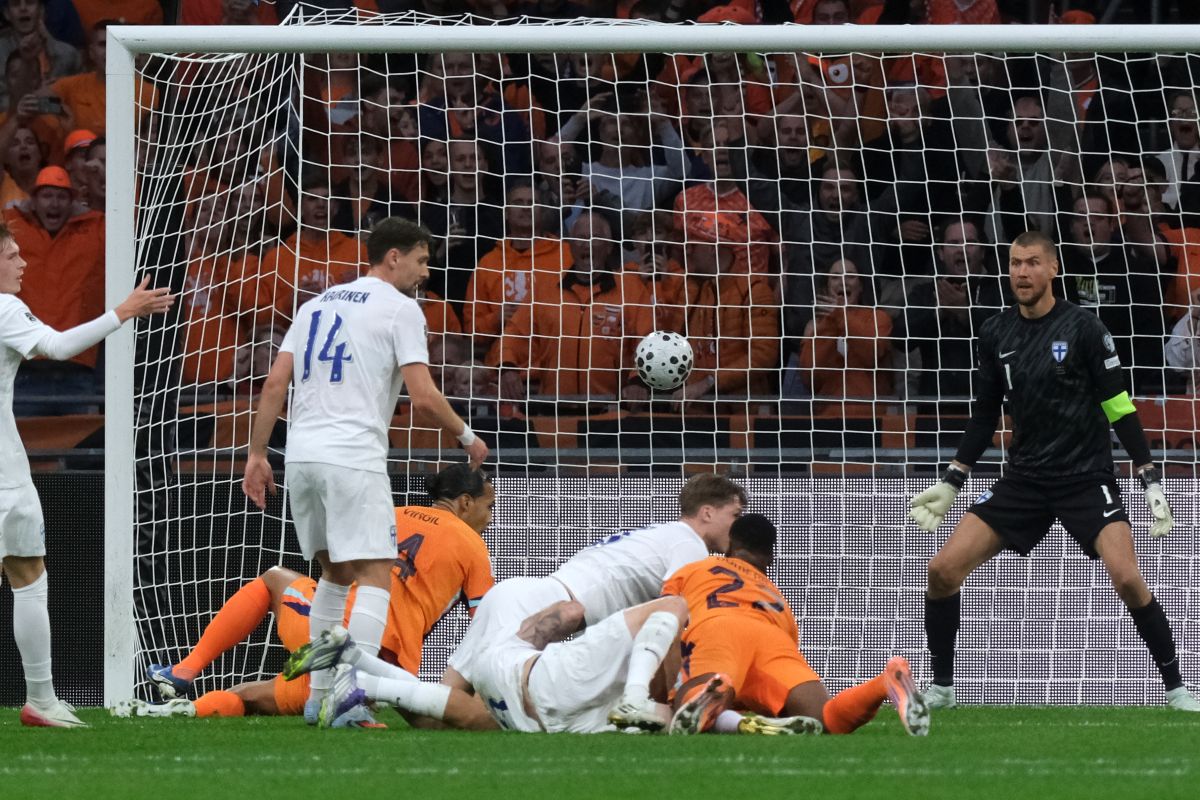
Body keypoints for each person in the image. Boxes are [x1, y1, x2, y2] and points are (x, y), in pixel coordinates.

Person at [908, 229, 1200, 712]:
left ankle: (1177, 689)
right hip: (1024, 480)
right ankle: (942, 687)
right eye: (1015, 263)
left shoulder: (1085, 329)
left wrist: (1149, 476)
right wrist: (953, 478)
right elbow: (985, 414)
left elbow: (1118, 406)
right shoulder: (995, 332)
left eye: (1032, 263)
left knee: (1128, 579)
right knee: (941, 570)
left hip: (1085, 476)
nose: (1022, 272)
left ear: (1053, 269)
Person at [241, 217, 488, 725]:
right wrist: (467, 436)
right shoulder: (400, 308)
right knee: (377, 573)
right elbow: (422, 396)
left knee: (334, 573)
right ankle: (352, 697)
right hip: (352, 455)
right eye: (421, 260)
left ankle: (319, 699)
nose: (426, 272)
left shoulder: (314, 305)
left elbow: (274, 384)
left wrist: (257, 454)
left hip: (302, 456)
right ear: (393, 257)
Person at [287, 472, 748, 730]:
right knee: (482, 718)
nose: (739, 524)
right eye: (735, 514)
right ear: (707, 512)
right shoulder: (689, 545)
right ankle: (363, 681)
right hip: (540, 607)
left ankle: (354, 661)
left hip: (523, 597)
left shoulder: (660, 534)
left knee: (440, 717)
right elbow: (674, 613)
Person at [118, 465, 495, 721]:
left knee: (274, 581)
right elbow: (486, 628)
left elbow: (338, 574)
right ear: (465, 502)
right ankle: (351, 701)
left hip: (329, 634)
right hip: (387, 668)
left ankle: (185, 674)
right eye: (489, 507)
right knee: (254, 697)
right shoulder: (473, 547)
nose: (491, 518)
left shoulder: (391, 514)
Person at [0, 221, 173, 726]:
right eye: (11, 256)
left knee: (26, 571)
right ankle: (41, 699)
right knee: (28, 574)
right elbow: (56, 347)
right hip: (4, 473)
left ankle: (43, 700)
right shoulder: (5, 308)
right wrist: (123, 312)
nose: (23, 263)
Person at [663, 514, 929, 737]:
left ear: (730, 545)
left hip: (717, 627)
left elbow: (664, 618)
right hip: (772, 636)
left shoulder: (697, 568)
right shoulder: (776, 597)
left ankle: (714, 695)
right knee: (824, 718)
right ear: (770, 557)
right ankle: (883, 684)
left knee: (686, 705)